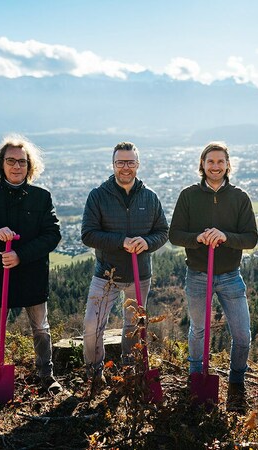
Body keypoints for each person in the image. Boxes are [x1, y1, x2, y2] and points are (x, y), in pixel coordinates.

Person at [0, 134, 62, 396]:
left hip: (32, 275)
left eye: (22, 161)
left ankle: (46, 376)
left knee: (41, 328)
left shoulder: (41, 197)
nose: (17, 166)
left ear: (30, 166)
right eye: (11, 161)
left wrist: (20, 255)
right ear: (1, 164)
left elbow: (52, 235)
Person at [169, 142, 258, 411]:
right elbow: (175, 235)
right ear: (202, 165)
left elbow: (251, 238)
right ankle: (196, 379)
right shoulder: (188, 196)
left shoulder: (240, 197)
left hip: (231, 275)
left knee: (243, 335)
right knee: (199, 331)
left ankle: (236, 383)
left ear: (228, 165)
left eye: (220, 161)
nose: (215, 166)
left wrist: (225, 237)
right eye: (211, 162)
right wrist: (197, 237)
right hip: (197, 273)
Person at [81, 141, 169, 389]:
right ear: (113, 165)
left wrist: (147, 242)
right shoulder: (98, 196)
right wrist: (122, 241)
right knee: (92, 325)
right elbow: (88, 234)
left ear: (138, 164)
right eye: (120, 162)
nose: (125, 167)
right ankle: (94, 374)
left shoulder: (150, 197)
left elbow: (162, 232)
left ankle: (129, 373)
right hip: (106, 274)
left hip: (140, 275)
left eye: (130, 162)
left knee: (133, 327)